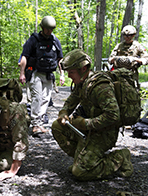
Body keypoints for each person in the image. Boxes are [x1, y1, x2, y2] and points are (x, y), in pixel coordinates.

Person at [51, 49, 133, 181]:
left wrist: (84, 124)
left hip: (103, 133)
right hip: (88, 130)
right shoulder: (82, 83)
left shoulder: (100, 86)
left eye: (71, 72)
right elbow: (71, 102)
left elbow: (113, 116)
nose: (69, 76)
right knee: (57, 126)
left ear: (83, 68)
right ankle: (83, 160)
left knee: (79, 173)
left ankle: (120, 157)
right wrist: (64, 113)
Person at [19, 15, 65, 135]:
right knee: (37, 98)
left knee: (45, 99)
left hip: (49, 74)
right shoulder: (33, 40)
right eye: (47, 29)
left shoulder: (55, 40)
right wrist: (22, 73)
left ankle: (40, 123)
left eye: (51, 29)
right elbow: (25, 56)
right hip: (35, 73)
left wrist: (62, 74)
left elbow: (60, 59)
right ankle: (35, 124)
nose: (49, 31)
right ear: (43, 27)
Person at [108, 25, 148, 90]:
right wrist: (116, 58)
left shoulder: (137, 46)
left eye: (129, 35)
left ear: (133, 35)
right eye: (125, 35)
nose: (126, 37)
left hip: (131, 75)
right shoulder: (119, 46)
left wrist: (136, 60)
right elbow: (110, 59)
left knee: (132, 95)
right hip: (118, 74)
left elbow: (146, 60)